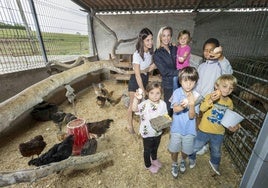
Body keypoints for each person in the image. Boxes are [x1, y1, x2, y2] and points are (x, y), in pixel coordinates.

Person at [189, 74, 241, 175]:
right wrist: (211, 100)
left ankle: (214, 162)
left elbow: (228, 117)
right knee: (196, 146)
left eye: (231, 88)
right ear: (217, 86)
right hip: (204, 129)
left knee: (216, 150)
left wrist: (233, 125)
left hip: (219, 132)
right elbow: (202, 108)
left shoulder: (230, 102)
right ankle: (191, 157)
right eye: (224, 86)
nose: (227, 90)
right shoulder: (210, 96)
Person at [195, 38, 233, 155]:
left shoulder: (220, 65)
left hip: (212, 100)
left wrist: (220, 57)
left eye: (211, 50)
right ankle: (199, 140)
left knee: (208, 122)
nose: (208, 52)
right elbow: (197, 82)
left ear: (218, 50)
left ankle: (205, 144)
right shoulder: (201, 66)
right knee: (198, 118)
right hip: (199, 98)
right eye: (206, 50)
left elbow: (228, 73)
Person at [168, 66, 199, 178]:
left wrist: (191, 104)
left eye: (192, 81)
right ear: (180, 81)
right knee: (174, 149)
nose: (188, 84)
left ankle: (182, 160)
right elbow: (175, 109)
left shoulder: (196, 96)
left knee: (186, 150)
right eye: (185, 80)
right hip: (176, 128)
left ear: (195, 82)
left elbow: (192, 116)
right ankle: (174, 163)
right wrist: (184, 104)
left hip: (189, 130)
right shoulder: (177, 92)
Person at [132, 81, 168, 174]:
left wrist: (167, 122)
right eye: (152, 93)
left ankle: (154, 159)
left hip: (158, 132)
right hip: (147, 133)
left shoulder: (163, 104)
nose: (155, 95)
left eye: (157, 93)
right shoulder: (145, 104)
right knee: (147, 150)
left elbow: (165, 116)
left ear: (161, 93)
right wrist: (136, 98)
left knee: (155, 147)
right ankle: (148, 164)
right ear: (147, 93)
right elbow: (134, 109)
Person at [127, 28, 156, 134]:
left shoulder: (150, 53)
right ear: (142, 41)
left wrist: (150, 67)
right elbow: (137, 75)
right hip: (136, 81)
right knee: (132, 105)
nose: (150, 42)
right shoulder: (137, 54)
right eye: (147, 40)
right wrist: (143, 90)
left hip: (145, 79)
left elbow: (148, 68)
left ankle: (142, 126)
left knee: (142, 106)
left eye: (151, 39)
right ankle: (129, 125)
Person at [154, 26, 179, 117]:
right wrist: (179, 72)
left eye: (168, 35)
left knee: (179, 104)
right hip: (168, 83)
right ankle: (166, 125)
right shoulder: (157, 53)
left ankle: (175, 123)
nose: (166, 38)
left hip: (179, 81)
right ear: (160, 37)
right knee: (168, 106)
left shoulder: (174, 48)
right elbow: (164, 71)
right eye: (164, 35)